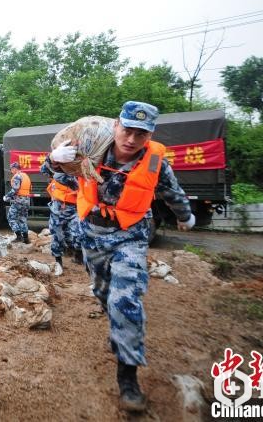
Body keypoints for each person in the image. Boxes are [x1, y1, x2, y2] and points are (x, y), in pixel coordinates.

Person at [48, 101, 195, 412]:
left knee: (124, 299)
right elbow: (57, 177)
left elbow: (172, 192)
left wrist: (185, 215)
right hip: (92, 235)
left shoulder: (156, 162)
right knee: (103, 292)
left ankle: (127, 377)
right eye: (127, 130)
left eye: (140, 134)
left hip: (131, 236)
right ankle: (115, 322)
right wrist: (54, 161)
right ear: (116, 126)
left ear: (150, 134)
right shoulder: (92, 148)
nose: (131, 139)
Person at [40, 162, 83, 275]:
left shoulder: (78, 169)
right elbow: (44, 169)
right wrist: (56, 160)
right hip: (58, 209)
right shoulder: (58, 170)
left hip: (75, 209)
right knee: (57, 237)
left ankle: (77, 255)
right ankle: (58, 262)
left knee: (78, 234)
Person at [3, 162, 31, 244]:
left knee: (11, 218)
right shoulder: (25, 176)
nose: (11, 171)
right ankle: (26, 239)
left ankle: (19, 237)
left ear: (15, 168)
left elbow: (15, 189)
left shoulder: (17, 176)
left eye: (11, 169)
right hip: (26, 200)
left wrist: (7, 197)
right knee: (23, 219)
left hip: (19, 201)